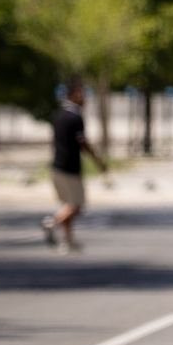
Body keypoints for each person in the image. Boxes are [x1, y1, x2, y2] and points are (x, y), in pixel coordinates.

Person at [42, 79, 107, 254]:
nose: (84, 98)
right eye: (81, 94)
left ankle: (68, 241)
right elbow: (83, 143)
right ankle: (52, 223)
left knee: (67, 204)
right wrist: (98, 162)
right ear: (72, 95)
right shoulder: (75, 117)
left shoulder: (57, 115)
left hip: (56, 165)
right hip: (70, 167)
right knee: (76, 205)